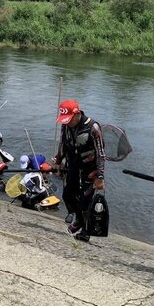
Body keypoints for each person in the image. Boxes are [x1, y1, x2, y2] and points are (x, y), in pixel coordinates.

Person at [50, 99, 106, 242]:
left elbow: (101, 153)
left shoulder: (93, 128)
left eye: (69, 119)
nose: (67, 123)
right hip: (73, 164)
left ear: (77, 114)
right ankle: (79, 220)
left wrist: (100, 176)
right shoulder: (66, 126)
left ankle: (86, 232)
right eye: (65, 120)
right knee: (68, 195)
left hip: (90, 168)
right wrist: (57, 160)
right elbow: (63, 143)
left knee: (85, 200)